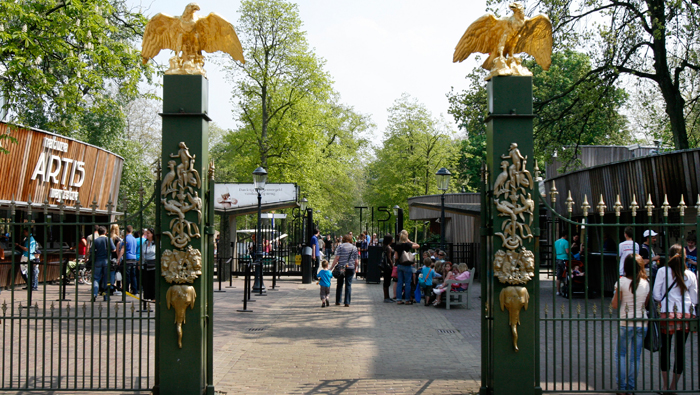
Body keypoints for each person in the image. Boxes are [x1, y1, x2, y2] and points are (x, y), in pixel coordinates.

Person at [653, 244, 698, 393]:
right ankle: (673, 387)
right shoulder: (690, 274)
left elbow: (656, 295)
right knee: (680, 351)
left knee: (665, 350)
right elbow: (695, 299)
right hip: (685, 315)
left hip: (668, 315)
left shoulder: (662, 272)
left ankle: (665, 386)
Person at [611, 253, 649, 394]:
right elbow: (645, 303)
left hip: (625, 322)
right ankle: (631, 387)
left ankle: (621, 388)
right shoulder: (646, 283)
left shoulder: (622, 282)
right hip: (641, 322)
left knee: (620, 354)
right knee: (635, 357)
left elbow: (615, 305)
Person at [330, 234, 359, 307]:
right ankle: (347, 302)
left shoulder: (340, 246)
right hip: (350, 268)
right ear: (350, 240)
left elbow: (337, 258)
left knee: (339, 284)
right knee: (348, 284)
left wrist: (331, 267)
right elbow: (356, 261)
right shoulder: (354, 248)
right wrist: (355, 268)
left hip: (341, 268)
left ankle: (338, 301)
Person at [89, 226, 116, 302]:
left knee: (96, 278)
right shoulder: (108, 239)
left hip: (97, 261)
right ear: (105, 232)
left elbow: (91, 251)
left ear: (98, 232)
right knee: (106, 279)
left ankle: (94, 294)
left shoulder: (95, 240)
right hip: (107, 261)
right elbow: (113, 249)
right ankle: (105, 296)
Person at [393, 230, 420, 305]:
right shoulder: (408, 245)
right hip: (407, 265)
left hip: (399, 265)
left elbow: (396, 256)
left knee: (399, 282)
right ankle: (407, 300)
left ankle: (399, 299)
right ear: (406, 236)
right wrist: (410, 241)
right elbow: (417, 245)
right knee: (408, 283)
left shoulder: (397, 245)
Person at [118, 225, 139, 295]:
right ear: (131, 230)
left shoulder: (125, 239)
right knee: (133, 275)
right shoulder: (134, 239)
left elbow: (123, 249)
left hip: (127, 258)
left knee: (126, 275)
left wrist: (118, 258)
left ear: (126, 231)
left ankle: (126, 290)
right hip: (134, 258)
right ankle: (135, 290)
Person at [141, 228, 156, 311]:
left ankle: (154, 297)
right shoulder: (145, 243)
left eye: (148, 233)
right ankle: (147, 297)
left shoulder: (156, 243)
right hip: (146, 264)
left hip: (154, 265)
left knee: (153, 281)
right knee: (146, 282)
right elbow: (142, 253)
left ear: (152, 234)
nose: (147, 234)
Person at [554, 231, 569, 296]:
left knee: (558, 276)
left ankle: (558, 291)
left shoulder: (556, 242)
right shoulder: (566, 242)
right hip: (564, 259)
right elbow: (567, 251)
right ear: (565, 235)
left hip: (558, 258)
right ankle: (565, 290)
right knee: (565, 274)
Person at [109, 224, 122, 295]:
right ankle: (117, 287)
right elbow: (117, 250)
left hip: (109, 257)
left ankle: (110, 287)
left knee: (110, 273)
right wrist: (118, 259)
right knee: (117, 272)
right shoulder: (117, 239)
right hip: (115, 258)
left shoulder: (108, 237)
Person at [381, 234, 395, 303]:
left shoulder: (384, 246)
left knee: (386, 281)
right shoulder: (389, 248)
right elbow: (389, 258)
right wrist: (392, 266)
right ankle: (386, 297)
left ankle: (387, 296)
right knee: (387, 281)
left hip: (385, 266)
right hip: (388, 267)